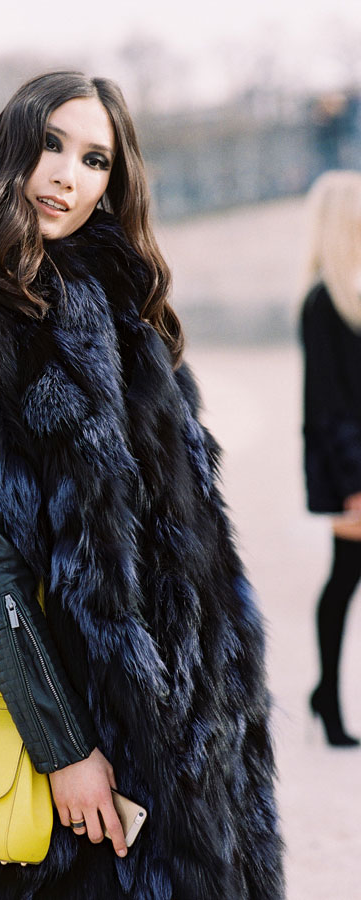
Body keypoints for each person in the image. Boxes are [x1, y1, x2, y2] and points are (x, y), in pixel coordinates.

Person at [0, 72, 283, 900]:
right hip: (52, 734)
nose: (67, 175)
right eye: (51, 145)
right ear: (8, 148)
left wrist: (217, 705)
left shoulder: (121, 311)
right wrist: (64, 748)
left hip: (185, 729)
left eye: (95, 159)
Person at [300, 170, 361, 747]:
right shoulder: (325, 303)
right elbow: (328, 405)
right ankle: (329, 702)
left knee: (345, 577)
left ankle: (326, 695)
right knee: (344, 578)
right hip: (353, 470)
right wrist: (352, 481)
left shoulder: (351, 297)